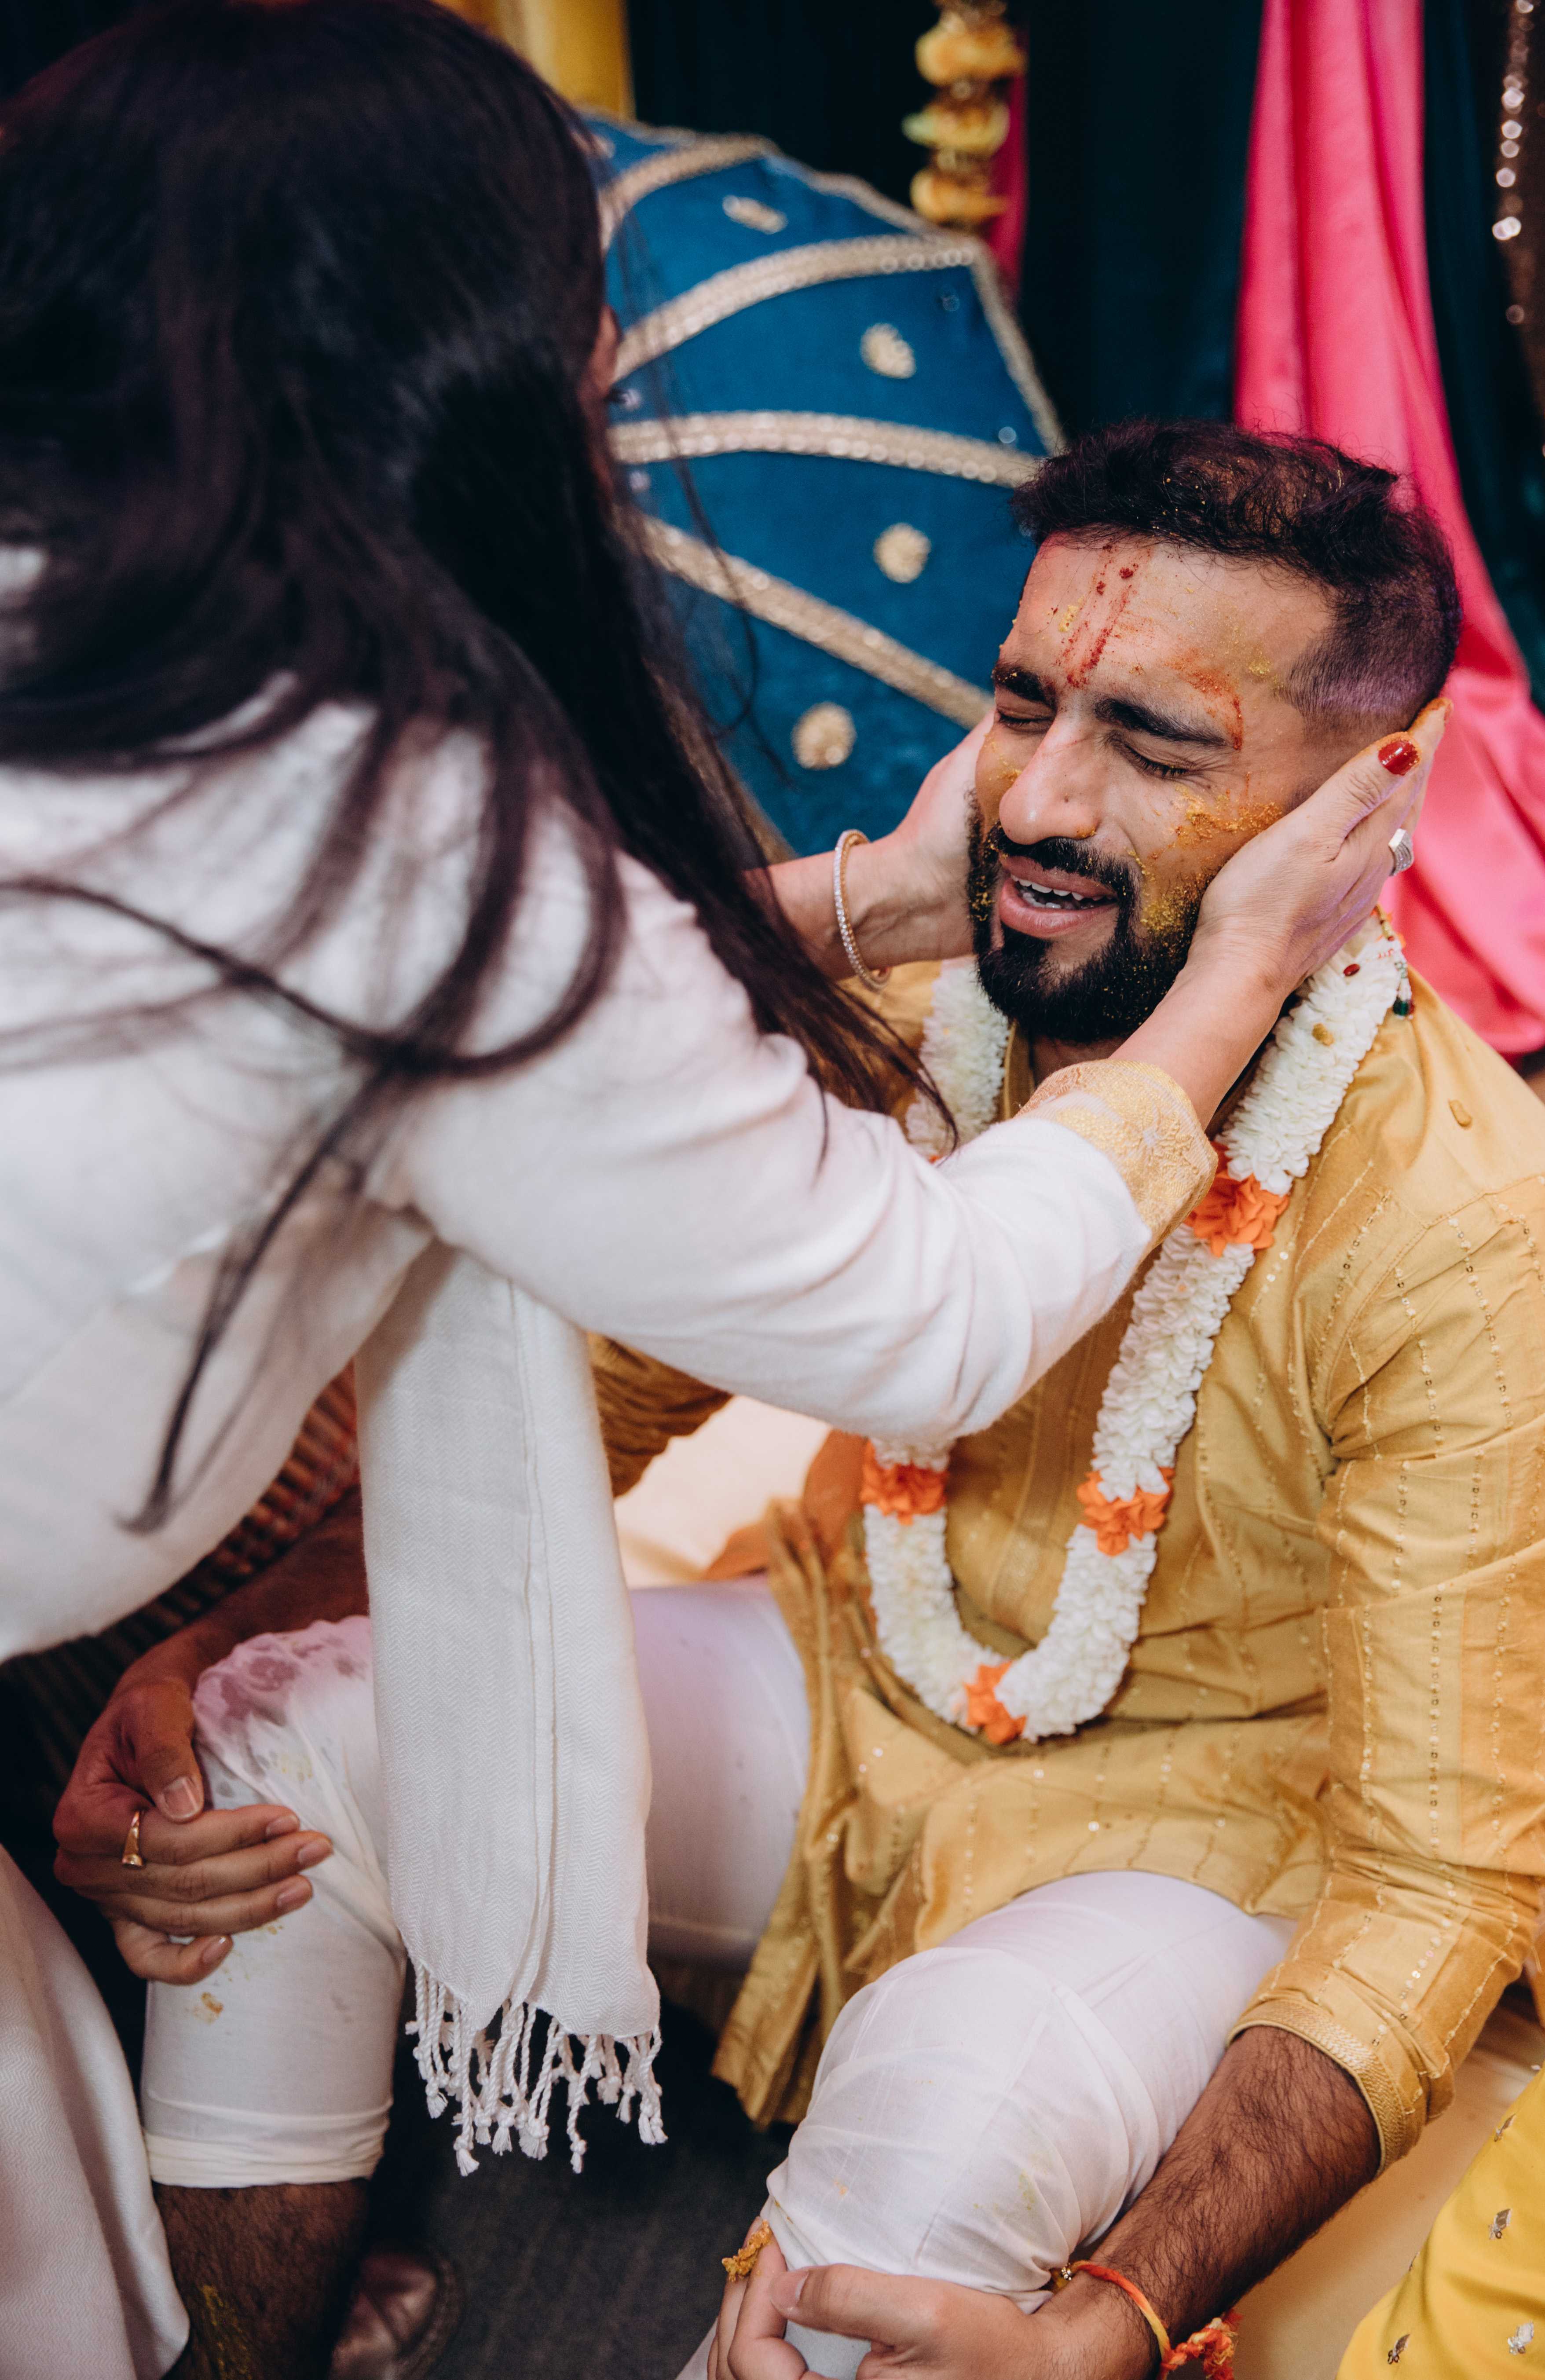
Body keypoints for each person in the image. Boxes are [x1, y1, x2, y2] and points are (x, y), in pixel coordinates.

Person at [0, 6, 1420, 2374]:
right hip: (842, 1703)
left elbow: (1434, 1851)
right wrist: (1209, 989)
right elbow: (799, 1299)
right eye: (1021, 707)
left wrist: (875, 899)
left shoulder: (1470, 1208)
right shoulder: (450, 857)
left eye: (1155, 738)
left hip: (1183, 1827)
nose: (1046, 805)